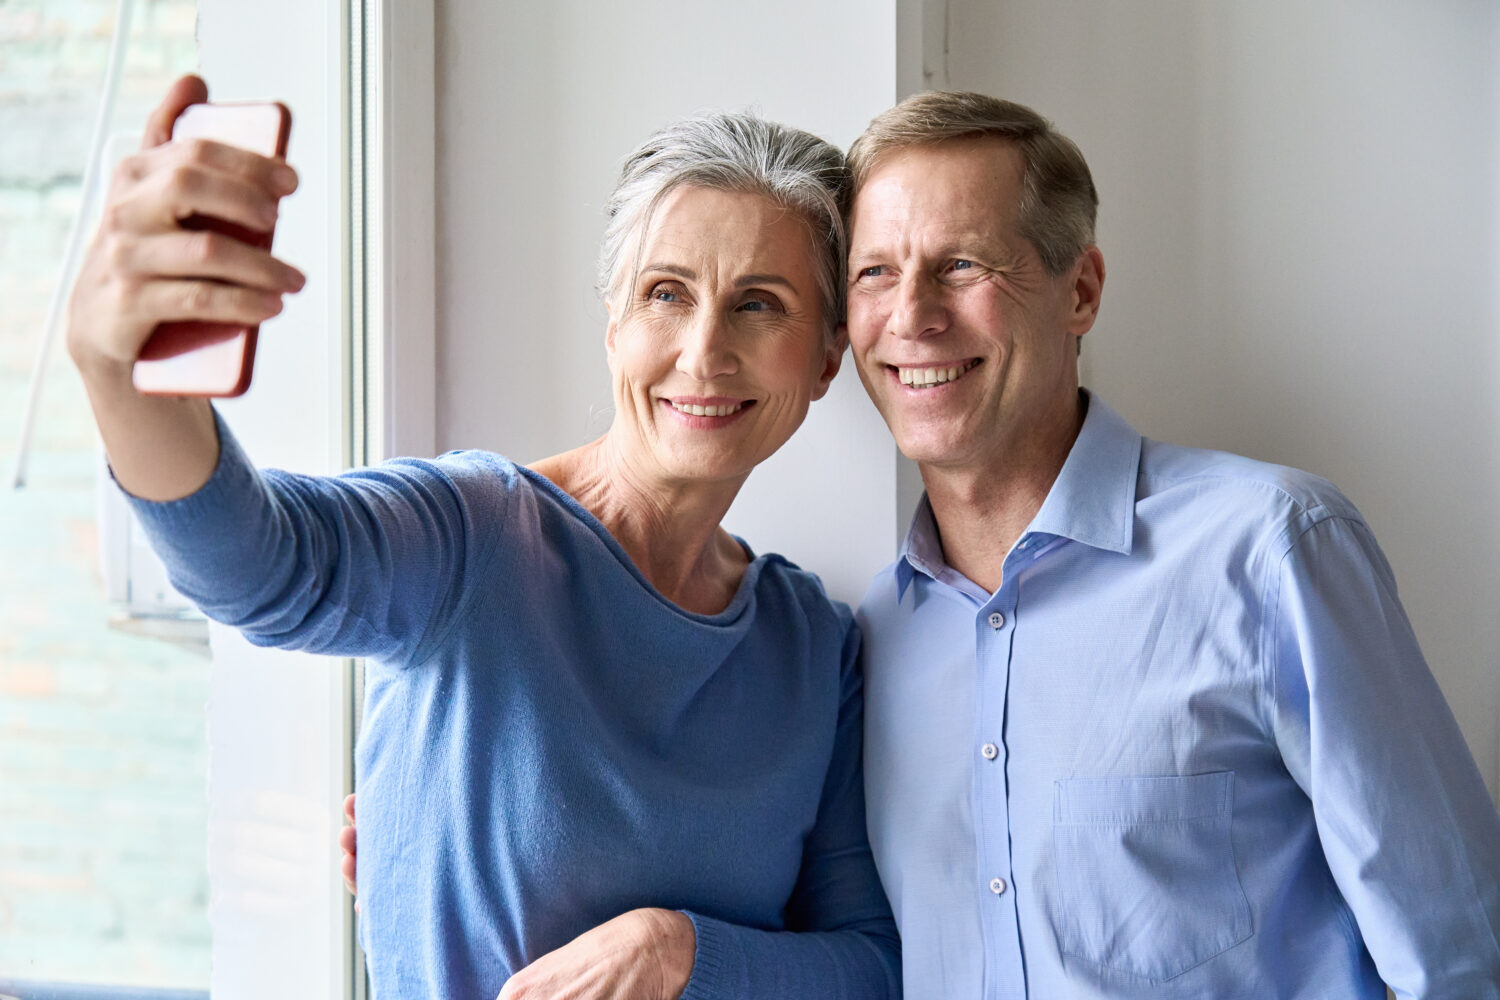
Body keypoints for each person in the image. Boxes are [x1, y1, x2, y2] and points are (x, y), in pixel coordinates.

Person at [67, 75, 901, 999]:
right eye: (666, 293)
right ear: (615, 324)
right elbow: (257, 567)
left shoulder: (814, 646)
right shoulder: (477, 532)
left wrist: (679, 952)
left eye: (759, 303)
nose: (702, 351)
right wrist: (116, 367)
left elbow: (869, 967)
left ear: (827, 355)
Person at [846, 89, 1500, 998]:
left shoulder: (1270, 553)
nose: (911, 315)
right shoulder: (871, 638)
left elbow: (1459, 956)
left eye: (962, 264)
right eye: (874, 272)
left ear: (1080, 291)